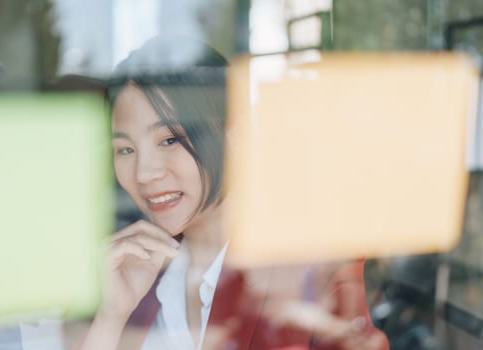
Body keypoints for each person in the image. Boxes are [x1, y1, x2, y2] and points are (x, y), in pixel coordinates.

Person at [76, 37, 388, 350]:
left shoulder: (310, 266)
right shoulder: (132, 277)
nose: (144, 173)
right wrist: (111, 318)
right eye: (125, 149)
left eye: (170, 140)